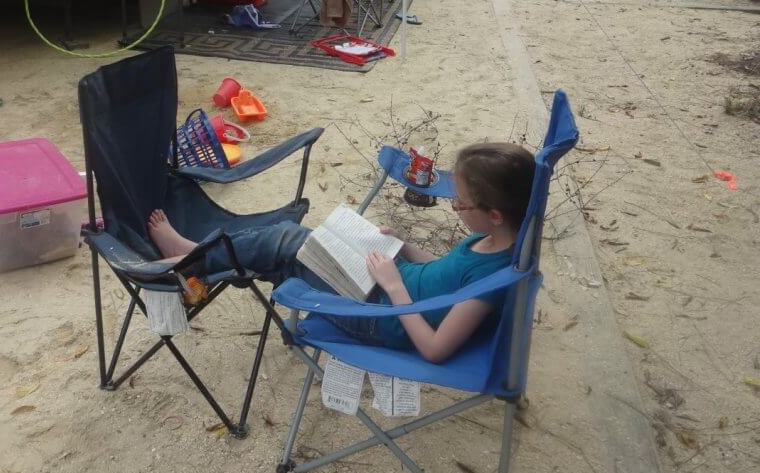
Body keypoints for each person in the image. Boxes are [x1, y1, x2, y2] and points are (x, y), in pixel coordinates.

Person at [148, 142, 536, 365]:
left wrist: (395, 286)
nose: (455, 207)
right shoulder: (493, 241)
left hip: (381, 315)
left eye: (461, 205)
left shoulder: (491, 279)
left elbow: (436, 350)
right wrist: (403, 245)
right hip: (386, 283)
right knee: (299, 245)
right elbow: (447, 276)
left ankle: (190, 258)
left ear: (495, 215)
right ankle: (200, 256)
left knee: (286, 245)